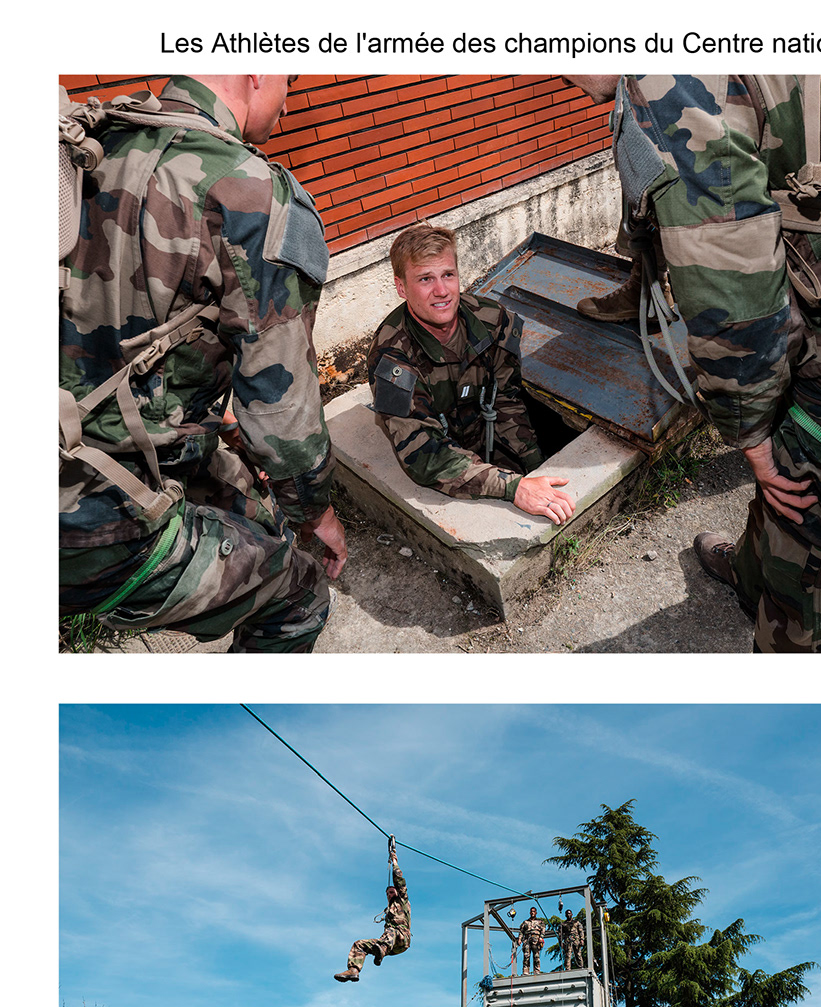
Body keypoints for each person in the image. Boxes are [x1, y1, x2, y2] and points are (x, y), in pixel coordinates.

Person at [566, 75, 821, 652]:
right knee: (789, 478)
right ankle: (754, 575)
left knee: (820, 533)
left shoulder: (670, 70)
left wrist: (750, 429)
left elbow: (730, 283)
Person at [61, 75, 346, 650]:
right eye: (289, 80)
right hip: (91, 520)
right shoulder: (246, 191)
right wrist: (318, 514)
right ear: (256, 69)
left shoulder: (93, 140)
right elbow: (284, 416)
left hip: (80, 448)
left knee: (247, 497)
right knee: (301, 594)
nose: (289, 102)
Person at [368, 222, 575, 524]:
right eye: (425, 279)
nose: (442, 291)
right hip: (444, 459)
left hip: (485, 440)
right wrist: (512, 487)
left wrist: (536, 469)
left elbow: (507, 402)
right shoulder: (393, 358)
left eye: (448, 275)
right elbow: (425, 456)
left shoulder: (492, 320)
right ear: (402, 288)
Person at [336, 842, 410, 983]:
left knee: (391, 930)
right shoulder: (388, 911)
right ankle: (354, 971)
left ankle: (381, 948)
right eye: (387, 893)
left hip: (402, 938)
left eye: (392, 890)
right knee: (359, 944)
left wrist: (394, 862)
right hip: (390, 945)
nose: (390, 893)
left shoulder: (403, 901)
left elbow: (399, 880)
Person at [516, 909, 547, 976]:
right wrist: (519, 939)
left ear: (536, 913)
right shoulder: (525, 922)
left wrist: (541, 937)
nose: (532, 913)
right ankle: (526, 971)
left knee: (536, 956)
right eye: (531, 912)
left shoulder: (540, 922)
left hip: (536, 939)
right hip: (527, 939)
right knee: (526, 956)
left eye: (534, 911)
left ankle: (536, 970)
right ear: (530, 912)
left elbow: (543, 930)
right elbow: (521, 931)